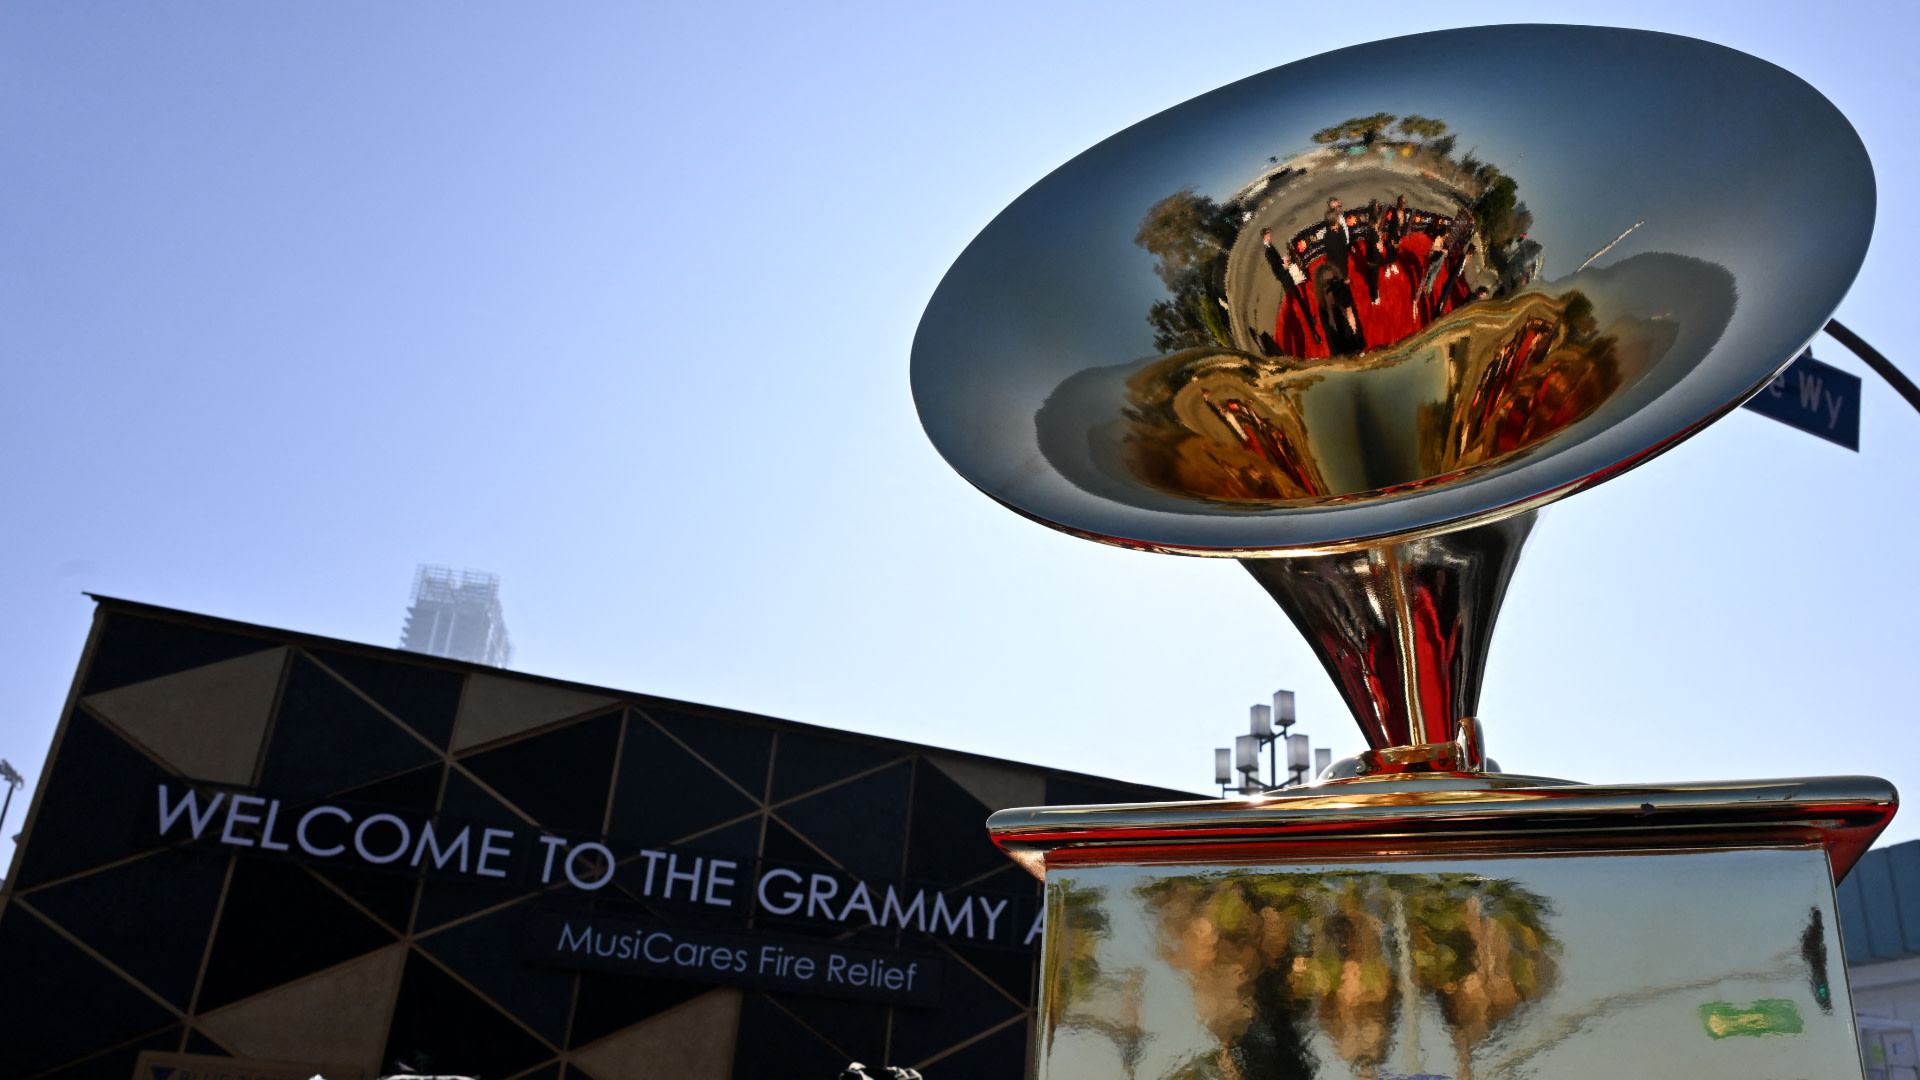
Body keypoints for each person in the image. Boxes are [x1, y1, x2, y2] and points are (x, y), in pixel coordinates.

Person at [1261, 227, 1322, 344]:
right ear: (1265, 236)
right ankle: (1314, 334)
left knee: (1300, 301)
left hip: (1286, 277)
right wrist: (1284, 267)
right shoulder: (1268, 252)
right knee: (1300, 302)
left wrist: (1283, 261)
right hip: (1286, 279)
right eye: (1269, 234)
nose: (1271, 236)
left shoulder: (1270, 247)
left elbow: (1277, 263)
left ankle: (1310, 320)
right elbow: (1275, 270)